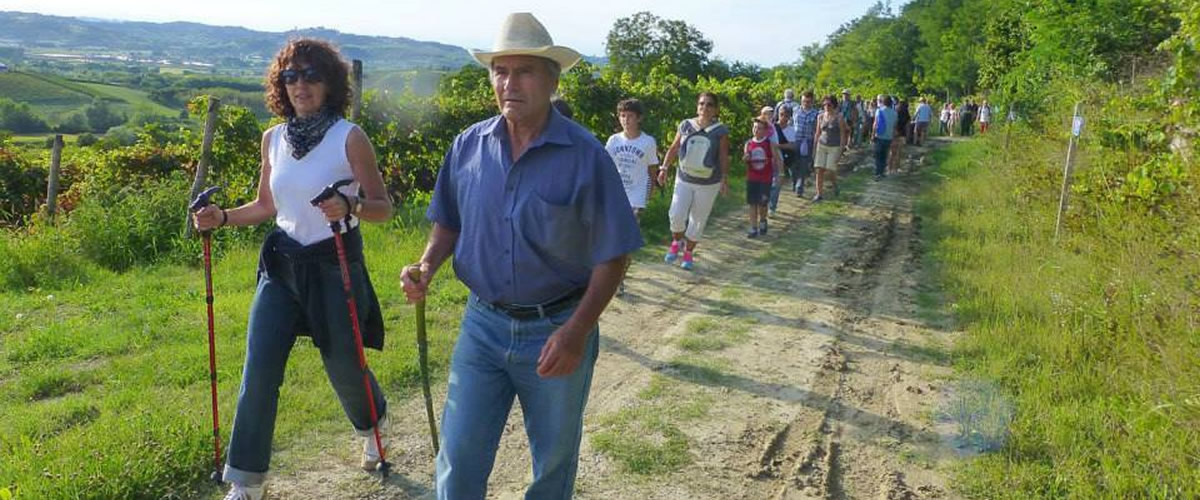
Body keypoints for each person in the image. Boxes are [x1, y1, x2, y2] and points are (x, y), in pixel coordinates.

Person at [400, 13, 643, 500]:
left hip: (556, 328)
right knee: (458, 457)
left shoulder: (585, 155)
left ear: (552, 80)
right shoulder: (468, 146)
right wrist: (427, 265)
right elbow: (448, 220)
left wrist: (575, 332)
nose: (510, 83)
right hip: (481, 328)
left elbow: (613, 256)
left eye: (525, 71)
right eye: (501, 71)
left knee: (552, 465)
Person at [192, 38, 395, 500]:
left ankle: (373, 423)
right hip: (282, 264)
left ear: (330, 83)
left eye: (310, 75)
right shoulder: (274, 139)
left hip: (333, 261)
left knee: (345, 365)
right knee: (259, 369)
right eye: (290, 76)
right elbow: (267, 205)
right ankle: (244, 482)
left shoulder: (349, 137)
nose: (300, 85)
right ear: (280, 85)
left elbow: (384, 208)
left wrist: (351, 205)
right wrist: (221, 218)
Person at [656, 91, 730, 271]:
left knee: (698, 220)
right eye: (701, 104)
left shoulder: (720, 131)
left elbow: (722, 156)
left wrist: (724, 178)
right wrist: (664, 168)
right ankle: (676, 241)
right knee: (676, 214)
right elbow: (674, 148)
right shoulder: (686, 125)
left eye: (709, 104)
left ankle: (688, 253)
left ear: (716, 109)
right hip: (684, 178)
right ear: (697, 106)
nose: (705, 107)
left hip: (708, 183)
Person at [605, 98, 658, 295]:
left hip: (636, 196)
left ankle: (619, 280)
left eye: (630, 116)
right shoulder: (613, 141)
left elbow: (652, 168)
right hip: (616, 196)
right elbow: (605, 166)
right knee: (612, 238)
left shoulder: (648, 142)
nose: (626, 120)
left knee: (625, 241)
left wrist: (651, 189)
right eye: (622, 116)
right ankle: (610, 275)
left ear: (639, 118)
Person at [743, 118, 779, 237]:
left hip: (765, 178)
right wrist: (746, 158)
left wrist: (778, 174)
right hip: (752, 177)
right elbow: (745, 157)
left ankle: (763, 220)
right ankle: (753, 228)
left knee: (762, 203)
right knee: (752, 203)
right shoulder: (748, 143)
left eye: (759, 128)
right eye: (754, 127)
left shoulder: (769, 143)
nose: (756, 130)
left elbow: (775, 159)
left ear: (765, 131)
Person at [812, 95, 849, 202]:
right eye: (824, 104)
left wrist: (842, 149)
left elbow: (843, 134)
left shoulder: (839, 118)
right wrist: (814, 147)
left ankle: (834, 184)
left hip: (834, 146)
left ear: (834, 105)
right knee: (819, 169)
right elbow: (817, 133)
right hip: (822, 144)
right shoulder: (820, 117)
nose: (826, 106)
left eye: (829, 104)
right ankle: (819, 194)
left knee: (830, 170)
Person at [791, 90, 819, 197]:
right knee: (793, 164)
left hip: (807, 142)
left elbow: (817, 129)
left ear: (812, 102)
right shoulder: (795, 110)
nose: (805, 103)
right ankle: (795, 181)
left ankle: (800, 186)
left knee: (803, 164)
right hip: (795, 140)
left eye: (808, 101)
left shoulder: (816, 114)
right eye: (803, 101)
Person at [770, 105, 796, 216]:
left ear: (789, 116)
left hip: (782, 161)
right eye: (781, 114)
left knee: (776, 184)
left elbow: (792, 146)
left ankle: (772, 207)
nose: (783, 117)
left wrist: (778, 146)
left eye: (786, 115)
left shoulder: (791, 130)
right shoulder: (771, 128)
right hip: (770, 159)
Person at [871, 94, 897, 180]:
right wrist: (893, 139)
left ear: (883, 102)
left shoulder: (879, 111)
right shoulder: (894, 113)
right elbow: (894, 127)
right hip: (889, 137)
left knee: (878, 155)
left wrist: (872, 134)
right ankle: (881, 172)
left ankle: (878, 173)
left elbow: (875, 124)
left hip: (880, 136)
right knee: (885, 155)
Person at [890, 99, 910, 174]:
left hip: (894, 134)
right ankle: (897, 168)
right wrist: (907, 137)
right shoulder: (907, 115)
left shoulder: (895, 113)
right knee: (899, 152)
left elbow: (892, 124)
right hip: (902, 135)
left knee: (892, 152)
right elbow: (908, 127)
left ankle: (890, 167)